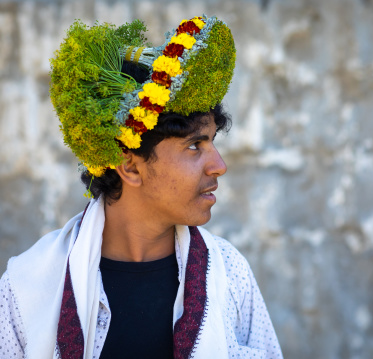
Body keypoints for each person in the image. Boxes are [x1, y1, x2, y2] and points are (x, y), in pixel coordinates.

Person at [0, 16, 283, 359]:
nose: (219, 165)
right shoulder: (29, 286)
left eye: (212, 142)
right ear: (130, 166)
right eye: (195, 146)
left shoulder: (229, 274)